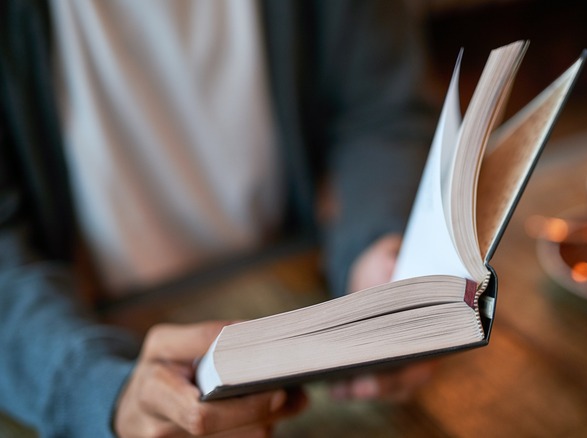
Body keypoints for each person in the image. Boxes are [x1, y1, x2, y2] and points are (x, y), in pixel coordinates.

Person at [0, 0, 440, 436]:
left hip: (298, 285)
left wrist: (374, 243)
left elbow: (380, 109)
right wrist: (103, 394)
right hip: (81, 331)